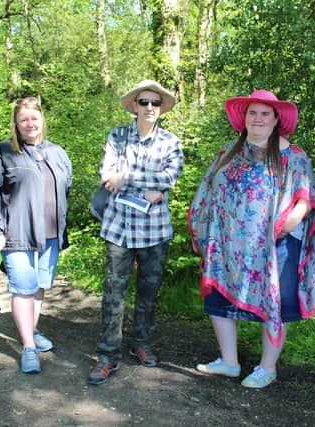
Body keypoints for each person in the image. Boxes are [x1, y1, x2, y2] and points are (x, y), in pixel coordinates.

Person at [189, 90, 315, 389]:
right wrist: (207, 226)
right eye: (252, 113)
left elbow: (308, 194)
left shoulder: (293, 156)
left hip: (277, 244)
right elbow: (209, 188)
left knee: (274, 301)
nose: (258, 118)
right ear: (244, 118)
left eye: (265, 113)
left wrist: (294, 217)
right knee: (218, 301)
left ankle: (267, 367)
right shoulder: (228, 152)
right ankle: (229, 362)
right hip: (228, 244)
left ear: (276, 120)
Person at [87, 80, 184, 385]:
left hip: (155, 230)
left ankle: (141, 343)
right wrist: (146, 185)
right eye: (144, 102)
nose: (150, 108)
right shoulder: (117, 136)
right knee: (113, 294)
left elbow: (170, 175)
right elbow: (107, 177)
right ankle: (107, 356)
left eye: (155, 103)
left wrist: (126, 175)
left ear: (161, 108)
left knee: (149, 292)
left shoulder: (171, 141)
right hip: (118, 227)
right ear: (134, 105)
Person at [0, 96, 72, 374]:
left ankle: (30, 331)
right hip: (16, 233)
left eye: (34, 118)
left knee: (39, 284)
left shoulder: (57, 152)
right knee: (23, 287)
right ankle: (29, 347)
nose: (30, 124)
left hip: (52, 234)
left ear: (42, 120)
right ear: (16, 125)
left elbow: (66, 187)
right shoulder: (3, 152)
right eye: (24, 120)